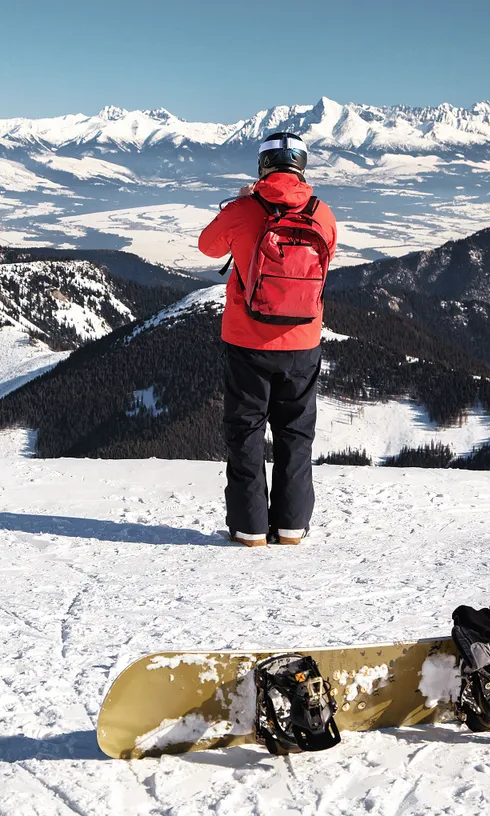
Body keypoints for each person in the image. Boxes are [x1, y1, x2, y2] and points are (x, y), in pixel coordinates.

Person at [197, 132, 338, 547]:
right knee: (295, 433)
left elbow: (208, 246)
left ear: (263, 166)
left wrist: (240, 204)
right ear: (301, 166)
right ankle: (292, 528)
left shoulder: (245, 209)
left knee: (246, 432)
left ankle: (250, 529)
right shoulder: (323, 214)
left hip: (248, 342)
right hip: (303, 340)